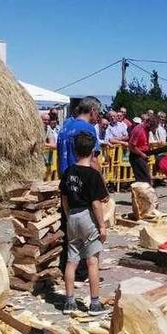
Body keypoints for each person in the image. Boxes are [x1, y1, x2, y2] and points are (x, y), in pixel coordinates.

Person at [60, 132, 109, 315]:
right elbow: (96, 203)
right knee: (92, 261)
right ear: (92, 151)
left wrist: (68, 215)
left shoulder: (69, 172)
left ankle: (69, 301)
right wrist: (102, 225)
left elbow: (64, 197)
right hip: (87, 216)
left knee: (71, 260)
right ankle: (95, 303)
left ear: (75, 150)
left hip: (72, 215)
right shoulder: (92, 174)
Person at [56, 97, 102, 280]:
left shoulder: (65, 127)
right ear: (92, 111)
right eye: (97, 113)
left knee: (69, 226)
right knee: (89, 230)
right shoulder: (87, 129)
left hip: (67, 181)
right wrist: (101, 183)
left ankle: (67, 266)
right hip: (85, 184)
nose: (97, 116)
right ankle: (85, 271)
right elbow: (94, 160)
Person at [128, 114, 154, 183]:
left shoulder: (147, 130)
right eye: (152, 127)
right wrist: (142, 154)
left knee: (145, 180)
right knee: (143, 181)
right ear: (148, 122)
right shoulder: (138, 129)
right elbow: (131, 146)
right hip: (136, 157)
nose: (152, 129)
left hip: (142, 156)